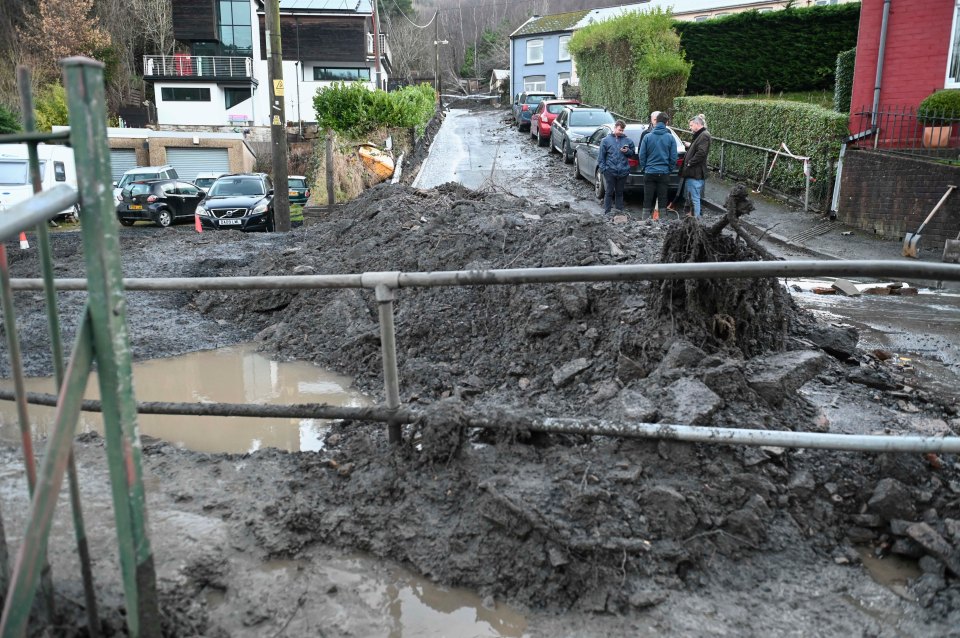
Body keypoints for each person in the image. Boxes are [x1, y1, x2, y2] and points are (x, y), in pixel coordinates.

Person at [637, 112, 677, 220]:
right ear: (666, 122)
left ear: (656, 121)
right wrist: (669, 169)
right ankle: (663, 221)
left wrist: (645, 167)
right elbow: (673, 157)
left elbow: (642, 155)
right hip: (664, 172)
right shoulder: (670, 138)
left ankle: (645, 220)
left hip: (649, 171)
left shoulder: (647, 137)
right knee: (663, 198)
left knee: (647, 197)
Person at [597, 119, 636, 216]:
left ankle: (619, 212)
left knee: (619, 192)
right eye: (619, 130)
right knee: (609, 191)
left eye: (622, 130)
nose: (621, 132)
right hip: (610, 171)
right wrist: (604, 170)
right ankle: (607, 212)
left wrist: (627, 151)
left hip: (623, 171)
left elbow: (632, 154)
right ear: (615, 128)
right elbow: (601, 157)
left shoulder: (627, 141)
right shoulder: (605, 141)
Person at [679, 114, 711, 218]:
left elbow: (701, 153)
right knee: (693, 197)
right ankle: (693, 219)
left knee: (695, 198)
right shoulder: (700, 135)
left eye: (691, 125)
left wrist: (690, 162)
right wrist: (690, 145)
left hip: (695, 173)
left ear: (697, 124)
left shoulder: (704, 135)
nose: (690, 127)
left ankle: (696, 221)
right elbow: (698, 148)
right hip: (693, 172)